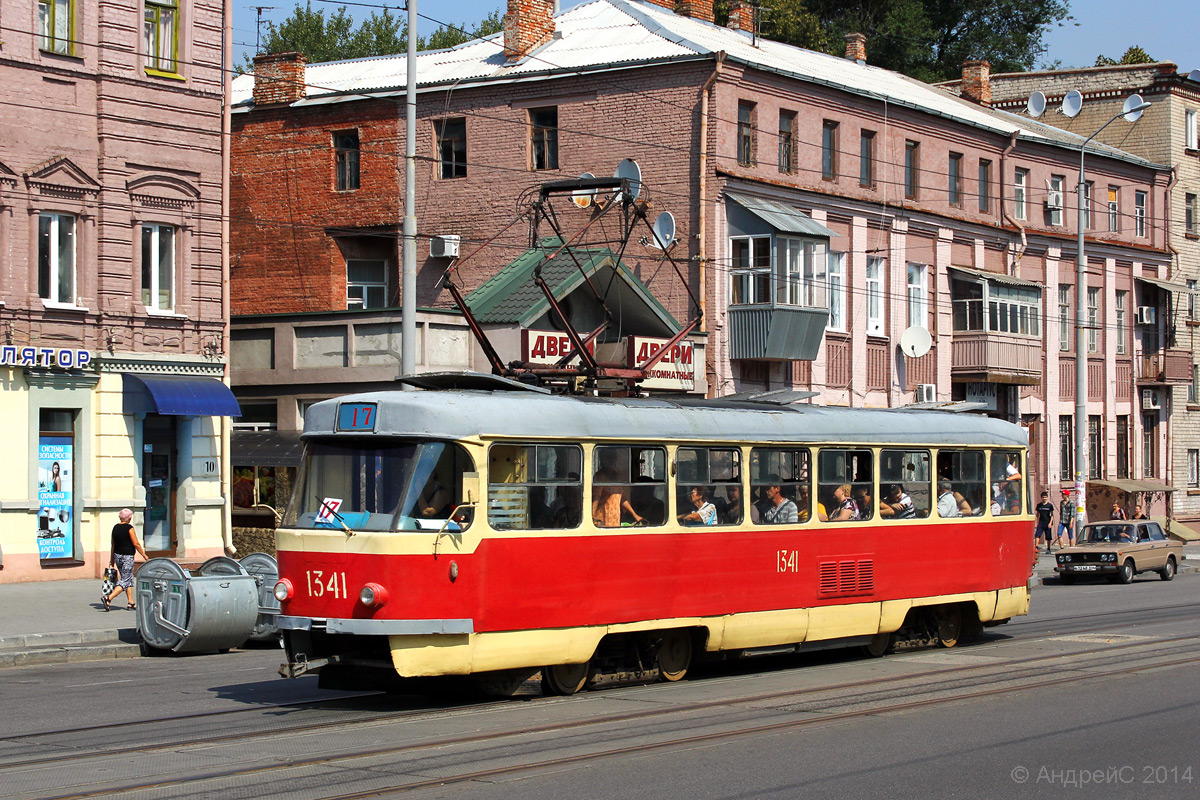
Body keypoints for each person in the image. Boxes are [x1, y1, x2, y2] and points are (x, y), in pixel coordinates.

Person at [104, 508, 148, 611]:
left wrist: (112, 559)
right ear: (129, 518)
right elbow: (136, 543)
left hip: (117, 556)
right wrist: (144, 555)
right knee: (125, 579)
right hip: (127, 557)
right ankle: (108, 598)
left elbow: (113, 544)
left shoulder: (115, 528)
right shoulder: (129, 528)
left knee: (128, 577)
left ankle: (130, 602)